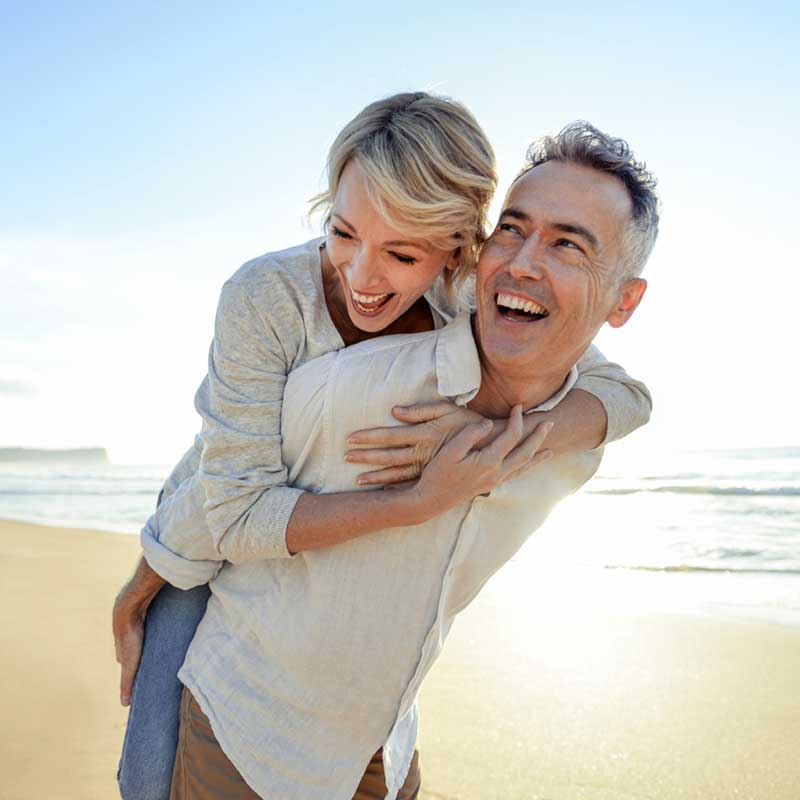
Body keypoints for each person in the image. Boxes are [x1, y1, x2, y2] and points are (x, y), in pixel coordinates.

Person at [114, 100, 653, 799]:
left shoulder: (465, 300)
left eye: (401, 252)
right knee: (147, 773)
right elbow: (231, 505)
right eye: (343, 232)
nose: (363, 277)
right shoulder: (270, 299)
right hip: (203, 510)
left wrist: (499, 437)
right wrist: (140, 585)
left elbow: (626, 397)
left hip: (342, 678)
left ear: (456, 246)